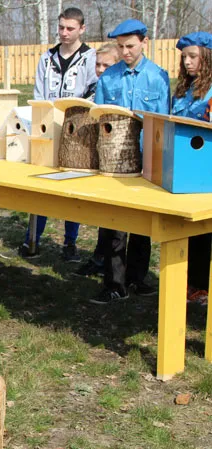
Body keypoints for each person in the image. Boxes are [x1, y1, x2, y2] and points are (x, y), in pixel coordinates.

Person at [90, 19, 170, 305]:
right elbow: (98, 118)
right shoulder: (109, 77)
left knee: (141, 223)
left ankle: (138, 276)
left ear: (144, 43)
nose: (125, 52)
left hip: (147, 160)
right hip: (114, 163)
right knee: (113, 222)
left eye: (131, 46)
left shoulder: (158, 77)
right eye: (121, 46)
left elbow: (164, 122)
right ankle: (113, 282)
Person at [19, 7, 98, 262]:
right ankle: (33, 237)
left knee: (71, 187)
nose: (64, 33)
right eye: (61, 27)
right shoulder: (47, 58)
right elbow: (39, 93)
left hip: (77, 128)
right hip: (48, 127)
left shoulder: (89, 57)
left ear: (82, 29)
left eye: (70, 28)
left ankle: (70, 243)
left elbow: (92, 92)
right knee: (41, 184)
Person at [171, 32, 212, 305]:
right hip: (182, 169)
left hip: (205, 170)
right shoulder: (184, 89)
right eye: (184, 57)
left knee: (203, 231)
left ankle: (200, 285)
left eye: (193, 56)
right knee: (185, 229)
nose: (187, 62)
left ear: (207, 58)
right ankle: (186, 282)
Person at [76, 43, 121, 277]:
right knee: (105, 216)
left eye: (107, 64)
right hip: (99, 155)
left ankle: (120, 269)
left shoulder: (118, 86)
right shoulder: (92, 87)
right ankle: (100, 257)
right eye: (98, 64)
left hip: (120, 158)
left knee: (118, 221)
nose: (101, 69)